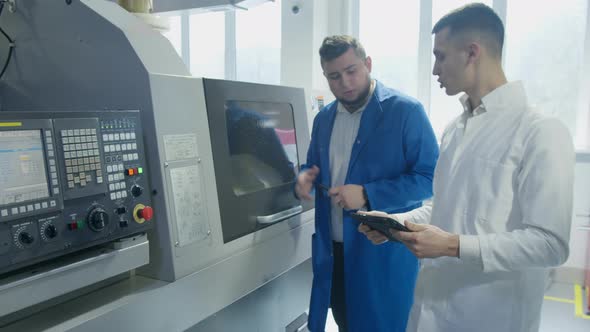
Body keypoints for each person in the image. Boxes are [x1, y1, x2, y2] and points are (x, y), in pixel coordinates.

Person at [359, 4, 574, 332]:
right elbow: (442, 208)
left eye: (440, 56)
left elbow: (550, 244)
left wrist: (452, 245)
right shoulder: (454, 130)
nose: (434, 70)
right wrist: (397, 223)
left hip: (490, 317)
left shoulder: (540, 131)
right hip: (429, 310)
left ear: (472, 52)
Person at [295, 35, 439, 332]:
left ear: (368, 64)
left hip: (382, 252)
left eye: (352, 71)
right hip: (333, 251)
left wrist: (368, 194)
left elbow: (430, 178)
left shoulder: (405, 112)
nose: (345, 82)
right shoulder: (324, 118)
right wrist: (304, 176)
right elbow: (314, 166)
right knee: (346, 321)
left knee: (385, 324)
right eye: (334, 76)